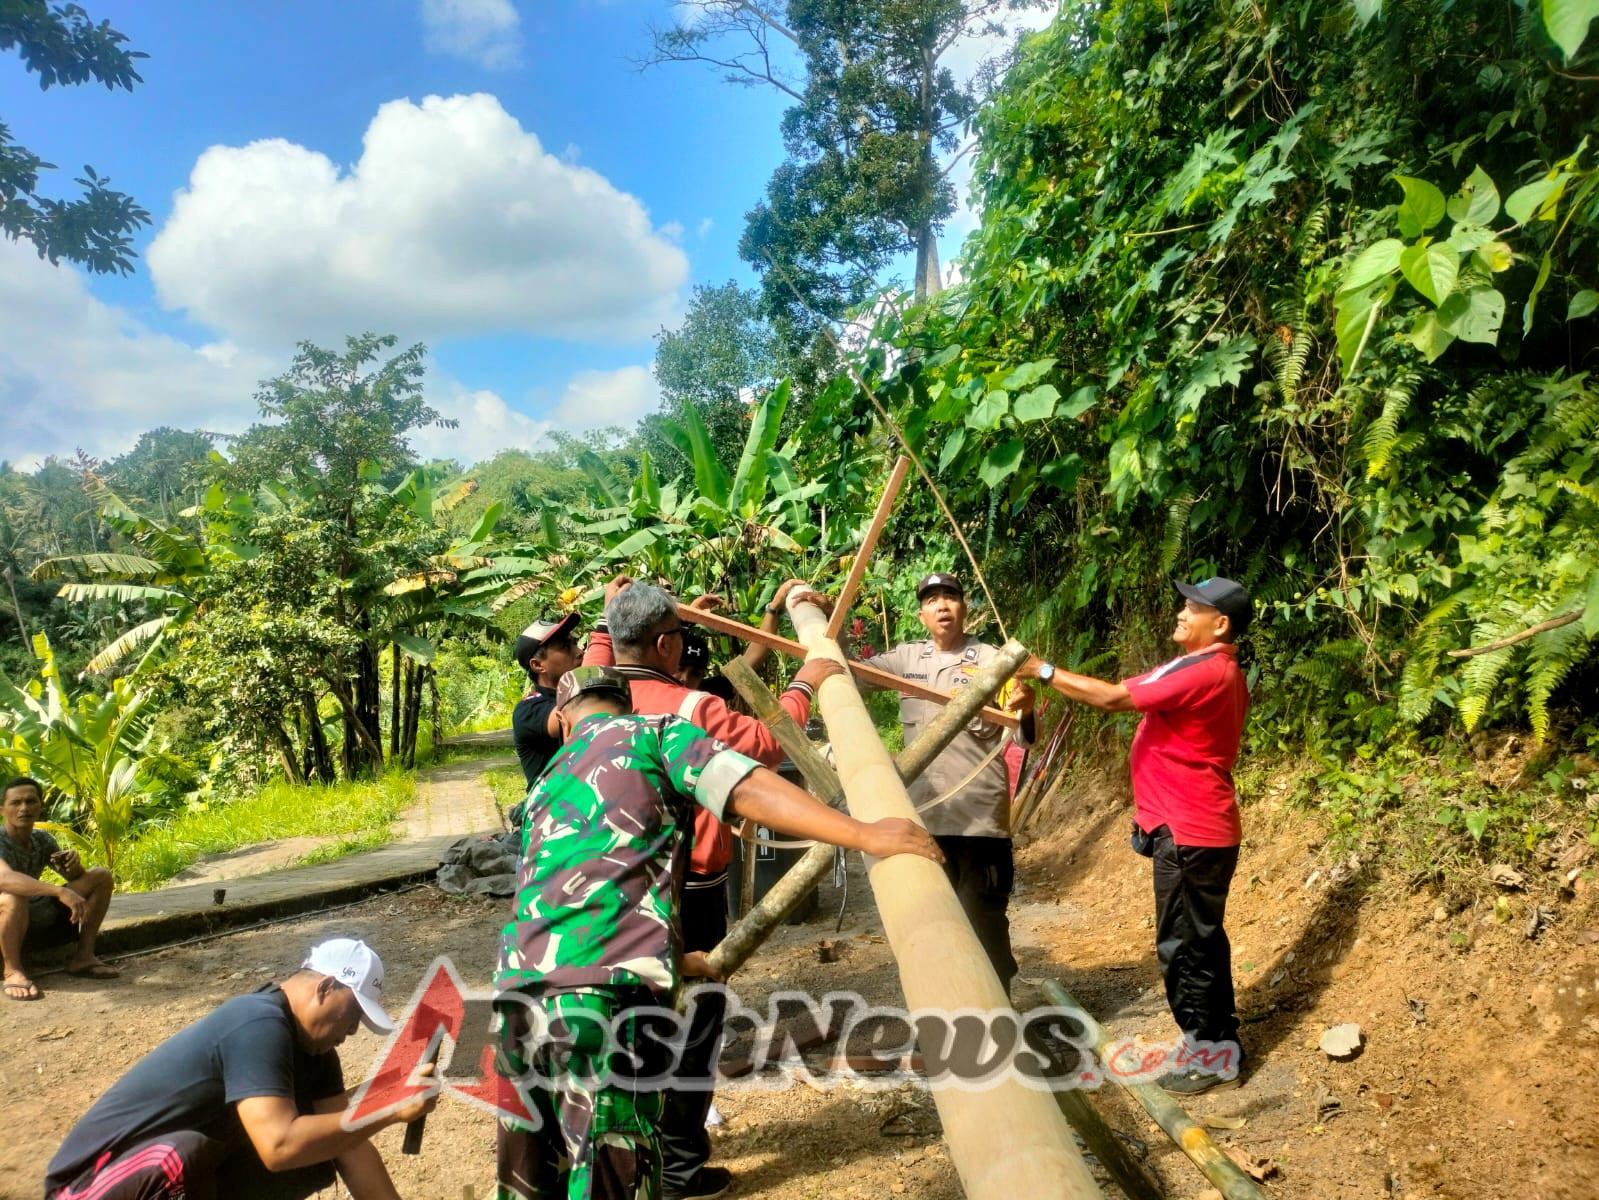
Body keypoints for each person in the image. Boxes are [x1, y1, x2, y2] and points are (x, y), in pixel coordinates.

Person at [494, 666, 941, 1200]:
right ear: (625, 705)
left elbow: (570, 900)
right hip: (602, 1005)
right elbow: (745, 785)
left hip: (516, 1001)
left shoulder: (544, 784)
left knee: (527, 1181)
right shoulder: (653, 734)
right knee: (611, 1176)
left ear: (565, 724)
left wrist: (680, 961)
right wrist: (862, 833)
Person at [583, 575, 838, 1200]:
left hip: (606, 888)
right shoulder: (692, 711)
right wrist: (811, 679)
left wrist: (613, 608)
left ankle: (624, 1164)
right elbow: (772, 741)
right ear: (668, 645)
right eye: (681, 636)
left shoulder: (586, 695)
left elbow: (601, 642)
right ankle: (679, 1173)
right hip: (687, 887)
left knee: (627, 1022)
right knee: (694, 1026)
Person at [1021, 576, 1252, 1094]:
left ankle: (1212, 1055)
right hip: (1192, 825)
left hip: (1191, 830)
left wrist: (1043, 670)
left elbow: (1111, 697)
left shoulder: (1207, 669)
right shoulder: (1209, 666)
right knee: (1199, 942)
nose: (1181, 613)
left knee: (1186, 947)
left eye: (1193, 608)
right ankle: (1216, 1041)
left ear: (1221, 625)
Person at [45, 937, 436, 1199]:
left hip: (165, 1183)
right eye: (353, 1013)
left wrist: (383, 1101)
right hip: (89, 1187)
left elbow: (352, 1146)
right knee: (188, 1153)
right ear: (325, 987)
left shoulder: (317, 1053)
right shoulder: (256, 1023)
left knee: (320, 1148)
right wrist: (387, 1107)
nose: (352, 1030)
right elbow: (280, 1147)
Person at [855, 573, 1036, 998]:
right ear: (921, 614)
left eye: (950, 597)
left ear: (965, 607)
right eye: (932, 599)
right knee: (934, 921)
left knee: (982, 918)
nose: (942, 605)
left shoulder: (995, 659)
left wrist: (1023, 706)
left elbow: (1025, 733)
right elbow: (850, 672)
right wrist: (826, 622)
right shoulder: (906, 659)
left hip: (978, 819)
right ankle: (949, 1013)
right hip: (923, 819)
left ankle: (998, 1013)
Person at [0, 775, 118, 1001]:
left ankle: (84, 957)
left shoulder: (42, 839)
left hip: (30, 914)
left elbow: (76, 878)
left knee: (101, 876)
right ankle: (12, 971)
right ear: (2, 809)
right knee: (14, 895)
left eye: (30, 801)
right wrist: (59, 891)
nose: (24, 808)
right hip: (6, 914)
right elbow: (4, 879)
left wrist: (74, 864)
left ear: (40, 806)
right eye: (16, 802)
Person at [512, 614, 583, 789]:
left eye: (575, 643)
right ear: (538, 665)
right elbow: (578, 718)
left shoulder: (578, 694)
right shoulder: (528, 710)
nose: (580, 652)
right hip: (556, 813)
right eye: (566, 647)